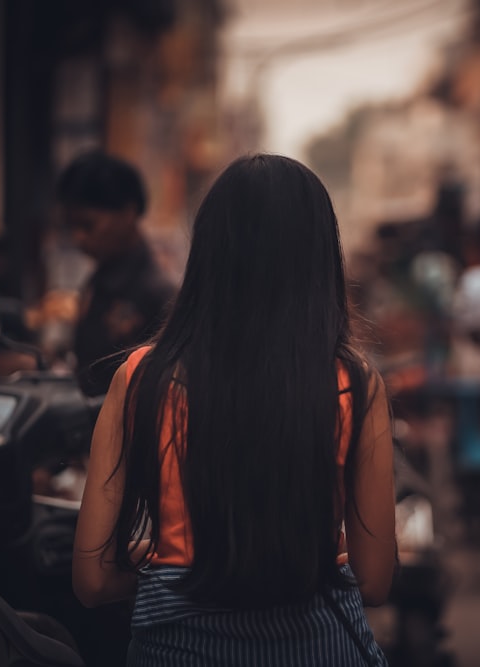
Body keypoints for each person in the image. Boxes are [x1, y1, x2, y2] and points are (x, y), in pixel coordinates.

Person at [72, 154, 397, 665]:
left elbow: (91, 581)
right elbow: (375, 580)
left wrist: (162, 564)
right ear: (318, 257)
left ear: (208, 253)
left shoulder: (140, 378)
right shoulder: (354, 386)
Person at [56, 150, 176, 397]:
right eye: (72, 226)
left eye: (88, 225)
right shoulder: (98, 280)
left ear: (128, 213)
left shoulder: (159, 293)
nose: (78, 237)